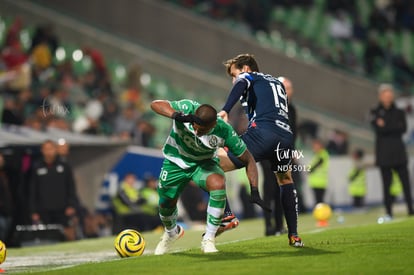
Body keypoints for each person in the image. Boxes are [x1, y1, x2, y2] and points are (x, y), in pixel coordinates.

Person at [150, 99, 264, 254]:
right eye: (195, 128)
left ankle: (208, 239)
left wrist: (254, 189)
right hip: (175, 161)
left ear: (213, 126)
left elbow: (248, 159)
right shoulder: (187, 108)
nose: (196, 132)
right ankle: (171, 232)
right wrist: (175, 115)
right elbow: (155, 104)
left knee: (218, 183)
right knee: (165, 203)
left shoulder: (224, 130)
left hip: (203, 164)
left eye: (201, 131)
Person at [217, 53, 304, 247]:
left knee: (210, 163)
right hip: (285, 136)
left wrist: (225, 109)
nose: (234, 79)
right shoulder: (275, 82)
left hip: (263, 134)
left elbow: (241, 84)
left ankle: (227, 215)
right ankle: (294, 235)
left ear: (246, 69)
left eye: (234, 73)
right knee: (285, 180)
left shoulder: (250, 77)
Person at [370, 84, 413, 219]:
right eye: (385, 95)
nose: (388, 97)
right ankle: (389, 212)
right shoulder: (375, 112)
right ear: (380, 96)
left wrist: (386, 125)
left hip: (399, 152)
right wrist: (392, 126)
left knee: (406, 183)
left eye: (390, 95)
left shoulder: (399, 112)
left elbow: (403, 128)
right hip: (384, 154)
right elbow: (379, 129)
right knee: (386, 185)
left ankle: (410, 209)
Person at [28, 140, 80, 241]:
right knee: (47, 237)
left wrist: (71, 205)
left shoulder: (64, 166)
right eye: (46, 149)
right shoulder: (36, 167)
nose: (49, 152)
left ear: (55, 150)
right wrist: (33, 211)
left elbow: (71, 187)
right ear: (42, 150)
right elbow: (32, 191)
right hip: (44, 210)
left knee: (68, 234)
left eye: (51, 148)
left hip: (63, 209)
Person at [308, 139, 330, 205]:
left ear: (320, 146)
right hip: (314, 182)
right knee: (317, 200)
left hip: (321, 182)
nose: (315, 148)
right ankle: (319, 213)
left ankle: (322, 213)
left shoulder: (323, 153)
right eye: (314, 146)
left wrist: (310, 169)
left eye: (316, 146)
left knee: (320, 199)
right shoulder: (316, 155)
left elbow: (319, 162)